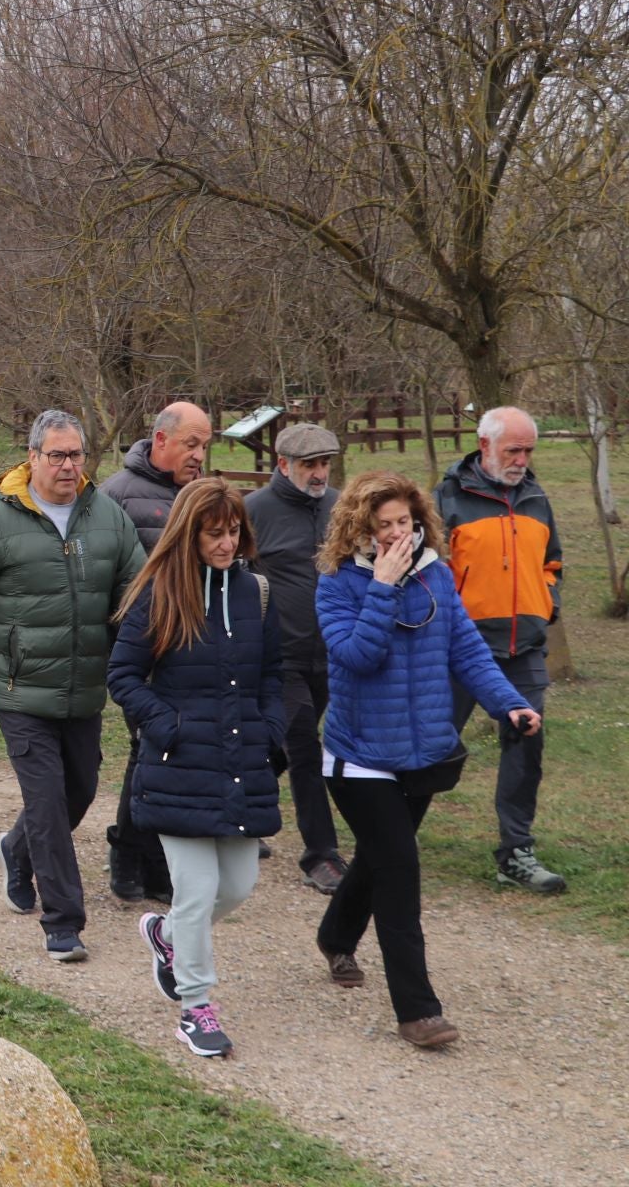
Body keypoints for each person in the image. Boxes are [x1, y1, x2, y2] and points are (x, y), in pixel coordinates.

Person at [315, 470, 539, 1048]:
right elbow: (357, 657)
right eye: (383, 525)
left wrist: (510, 704)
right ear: (359, 529)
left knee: (379, 859)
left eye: (404, 522)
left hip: (421, 755)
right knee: (399, 868)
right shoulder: (337, 583)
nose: (397, 534)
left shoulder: (437, 574)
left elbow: (467, 651)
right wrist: (383, 587)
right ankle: (417, 1012)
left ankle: (335, 936)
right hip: (359, 756)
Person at [0, 409, 144, 962]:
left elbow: (135, 595)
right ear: (32, 458)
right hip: (20, 688)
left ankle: (16, 849)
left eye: (76, 454)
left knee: (79, 791)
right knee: (48, 802)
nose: (68, 465)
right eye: (57, 455)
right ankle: (63, 922)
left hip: (84, 687)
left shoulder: (107, 518)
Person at [108, 479, 285, 1058]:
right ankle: (196, 1006)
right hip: (177, 769)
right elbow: (123, 677)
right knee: (196, 888)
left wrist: (271, 730)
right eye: (214, 533)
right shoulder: (158, 593)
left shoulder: (256, 593)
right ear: (190, 535)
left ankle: (166, 937)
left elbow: (273, 675)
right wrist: (168, 727)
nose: (227, 543)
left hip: (241, 764)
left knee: (237, 885)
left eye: (233, 531)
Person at [438, 406, 567, 894]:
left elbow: (552, 563)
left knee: (525, 750)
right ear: (485, 445)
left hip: (524, 649)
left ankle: (515, 852)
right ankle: (391, 837)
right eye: (514, 450)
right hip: (462, 648)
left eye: (528, 450)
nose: (522, 460)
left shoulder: (536, 497)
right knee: (435, 745)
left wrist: (546, 604)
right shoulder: (448, 497)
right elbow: (430, 571)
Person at [100, 401, 215, 902]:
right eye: (191, 444)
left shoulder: (202, 494)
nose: (199, 455)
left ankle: (151, 859)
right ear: (161, 440)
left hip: (194, 651)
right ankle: (130, 856)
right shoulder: (116, 495)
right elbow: (100, 582)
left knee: (172, 753)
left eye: (205, 446)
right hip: (139, 651)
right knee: (149, 748)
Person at [244, 423, 348, 895]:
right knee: (306, 748)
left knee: (282, 748)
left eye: (325, 463)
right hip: (279, 657)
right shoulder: (254, 511)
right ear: (283, 465)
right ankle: (320, 855)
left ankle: (239, 811)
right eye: (309, 464)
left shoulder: (341, 507)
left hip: (332, 654)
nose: (319, 472)